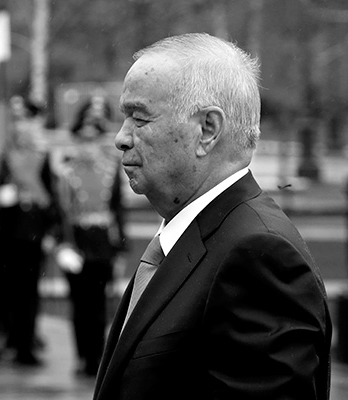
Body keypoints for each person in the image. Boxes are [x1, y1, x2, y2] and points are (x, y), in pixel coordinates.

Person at [93, 33, 331, 399]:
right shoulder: (207, 236)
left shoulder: (257, 257)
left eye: (139, 118)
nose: (121, 138)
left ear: (207, 130)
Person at [56, 95, 125, 377]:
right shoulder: (66, 172)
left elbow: (118, 211)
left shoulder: (110, 169)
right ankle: (82, 354)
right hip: (77, 241)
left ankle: (97, 356)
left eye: (93, 140)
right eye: (83, 140)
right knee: (79, 303)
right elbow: (61, 212)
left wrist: (119, 250)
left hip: (102, 242)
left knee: (98, 304)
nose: (88, 146)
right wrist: (62, 244)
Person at [0, 96, 59, 366]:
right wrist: (2, 197)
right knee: (10, 290)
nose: (23, 128)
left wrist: (51, 232)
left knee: (29, 293)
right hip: (10, 233)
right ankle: (12, 338)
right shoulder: (5, 158)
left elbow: (51, 196)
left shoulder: (42, 158)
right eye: (18, 122)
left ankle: (26, 343)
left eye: (27, 122)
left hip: (34, 233)